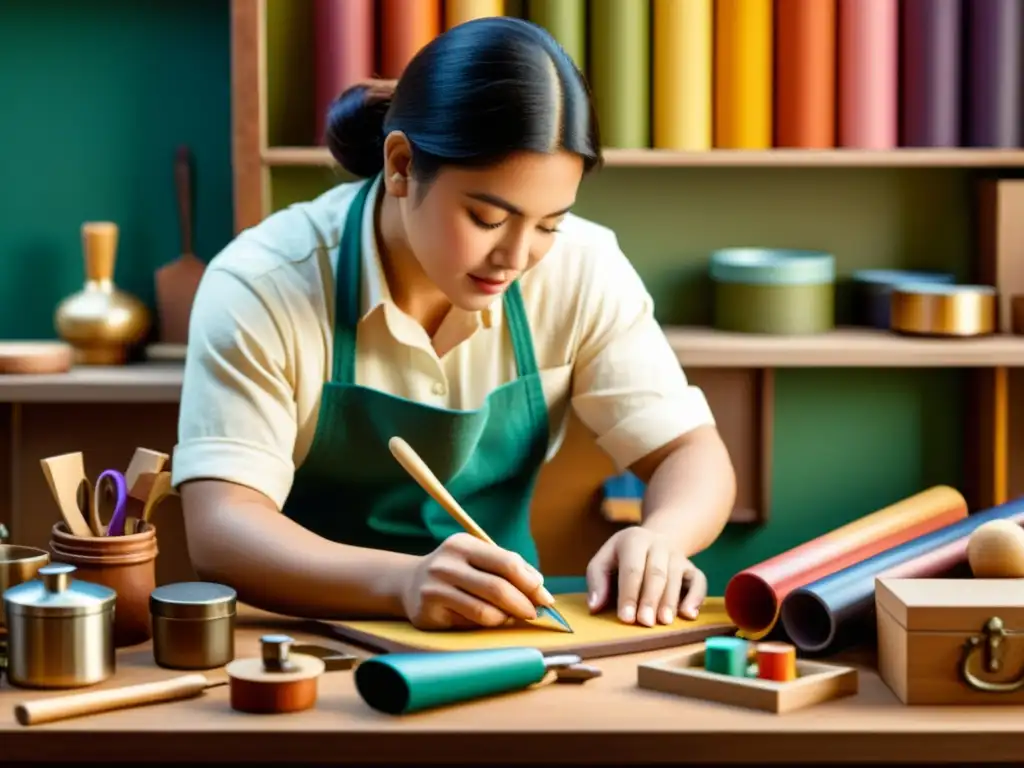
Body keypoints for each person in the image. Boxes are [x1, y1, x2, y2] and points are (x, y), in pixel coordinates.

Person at [172, 17, 736, 632]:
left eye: (549, 223)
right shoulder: (264, 283)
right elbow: (220, 527)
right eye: (487, 217)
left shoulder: (583, 267)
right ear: (401, 164)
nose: (516, 258)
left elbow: (690, 452)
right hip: (307, 643)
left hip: (505, 638)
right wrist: (403, 582)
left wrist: (662, 537)